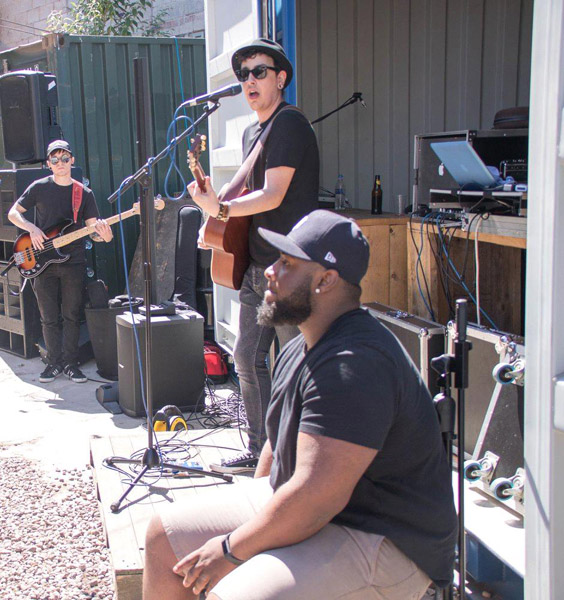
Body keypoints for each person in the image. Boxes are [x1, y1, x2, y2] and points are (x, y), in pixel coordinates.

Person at [142, 211, 457, 600]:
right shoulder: (299, 348)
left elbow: (317, 495)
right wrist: (255, 529)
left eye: (287, 263)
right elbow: (276, 454)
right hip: (321, 509)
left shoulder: (354, 363)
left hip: (385, 538)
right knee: (164, 538)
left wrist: (232, 550)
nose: (269, 271)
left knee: (236, 594)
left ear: (326, 280)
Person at [189, 39, 320, 473]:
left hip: (289, 267)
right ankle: (261, 449)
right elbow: (245, 194)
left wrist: (221, 211)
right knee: (245, 357)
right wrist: (215, 216)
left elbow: (273, 194)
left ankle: (297, 457)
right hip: (257, 266)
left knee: (294, 363)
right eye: (244, 74)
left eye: (259, 72)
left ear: (280, 78)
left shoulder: (290, 125)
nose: (249, 81)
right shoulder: (253, 133)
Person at [8, 140, 113, 384]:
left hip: (73, 261)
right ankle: (53, 363)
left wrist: (104, 236)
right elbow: (13, 213)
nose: (60, 163)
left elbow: (93, 230)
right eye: (55, 160)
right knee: (48, 316)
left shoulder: (83, 193)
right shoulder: (39, 187)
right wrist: (31, 228)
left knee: (72, 315)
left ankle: (70, 364)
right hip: (42, 260)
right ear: (49, 163)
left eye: (65, 158)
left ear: (72, 160)